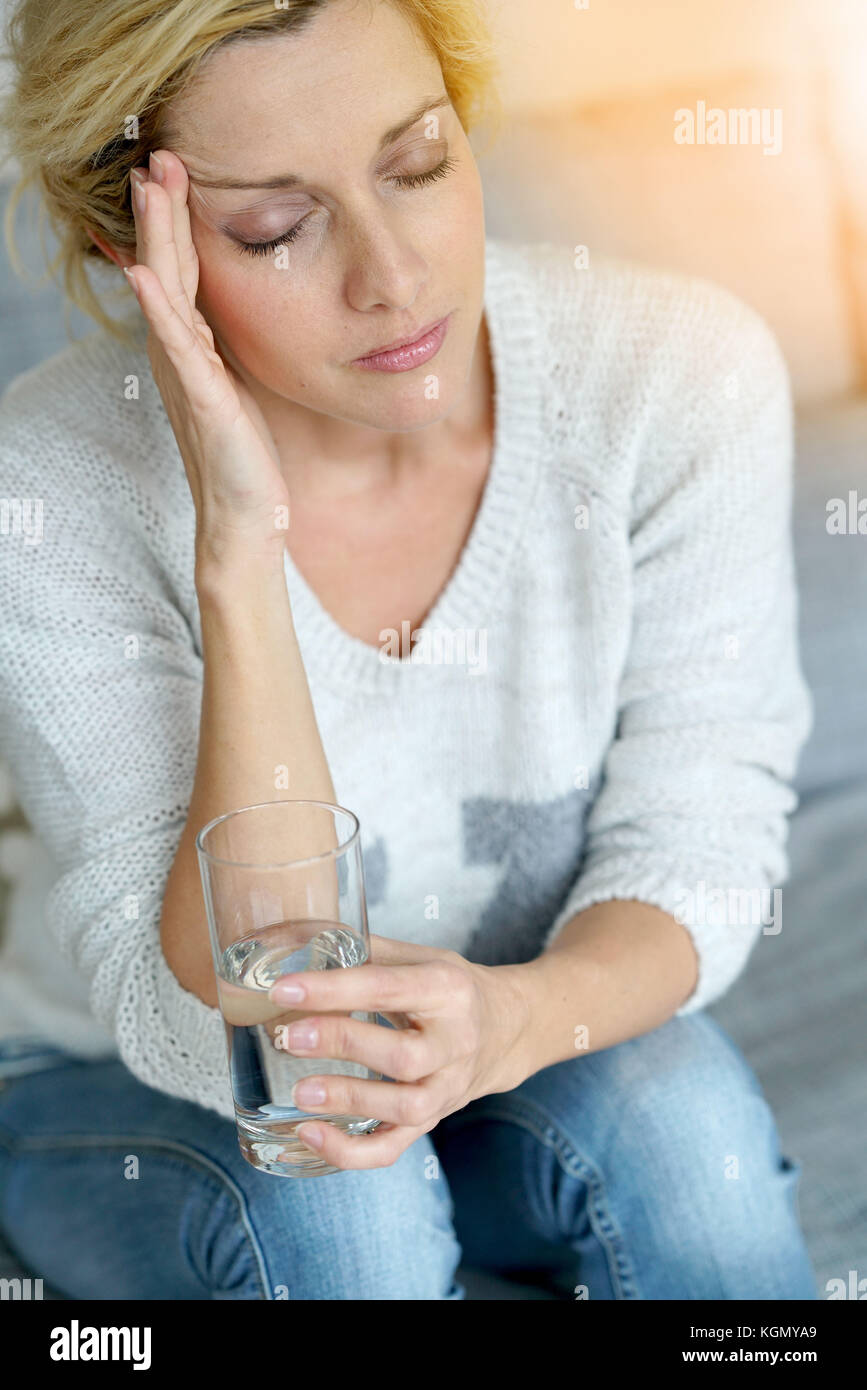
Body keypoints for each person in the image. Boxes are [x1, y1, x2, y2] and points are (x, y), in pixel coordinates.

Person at [0, 0, 817, 1299]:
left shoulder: (675, 378)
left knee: (678, 1107)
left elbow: (701, 844)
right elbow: (217, 1022)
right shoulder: (43, 488)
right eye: (277, 226)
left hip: (496, 1048)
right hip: (114, 1091)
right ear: (130, 244)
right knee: (343, 1179)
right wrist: (240, 552)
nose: (392, 274)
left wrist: (513, 1021)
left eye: (418, 161)